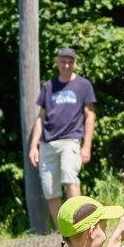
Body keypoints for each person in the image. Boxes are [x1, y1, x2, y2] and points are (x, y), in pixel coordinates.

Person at [29, 48, 97, 231]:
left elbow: (90, 116)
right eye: (63, 61)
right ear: (57, 62)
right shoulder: (48, 86)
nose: (66, 65)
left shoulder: (83, 85)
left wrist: (87, 146)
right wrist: (34, 145)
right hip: (47, 143)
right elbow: (40, 117)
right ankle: (63, 232)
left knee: (70, 177)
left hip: (71, 141)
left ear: (74, 63)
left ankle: (80, 226)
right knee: (50, 190)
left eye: (70, 62)